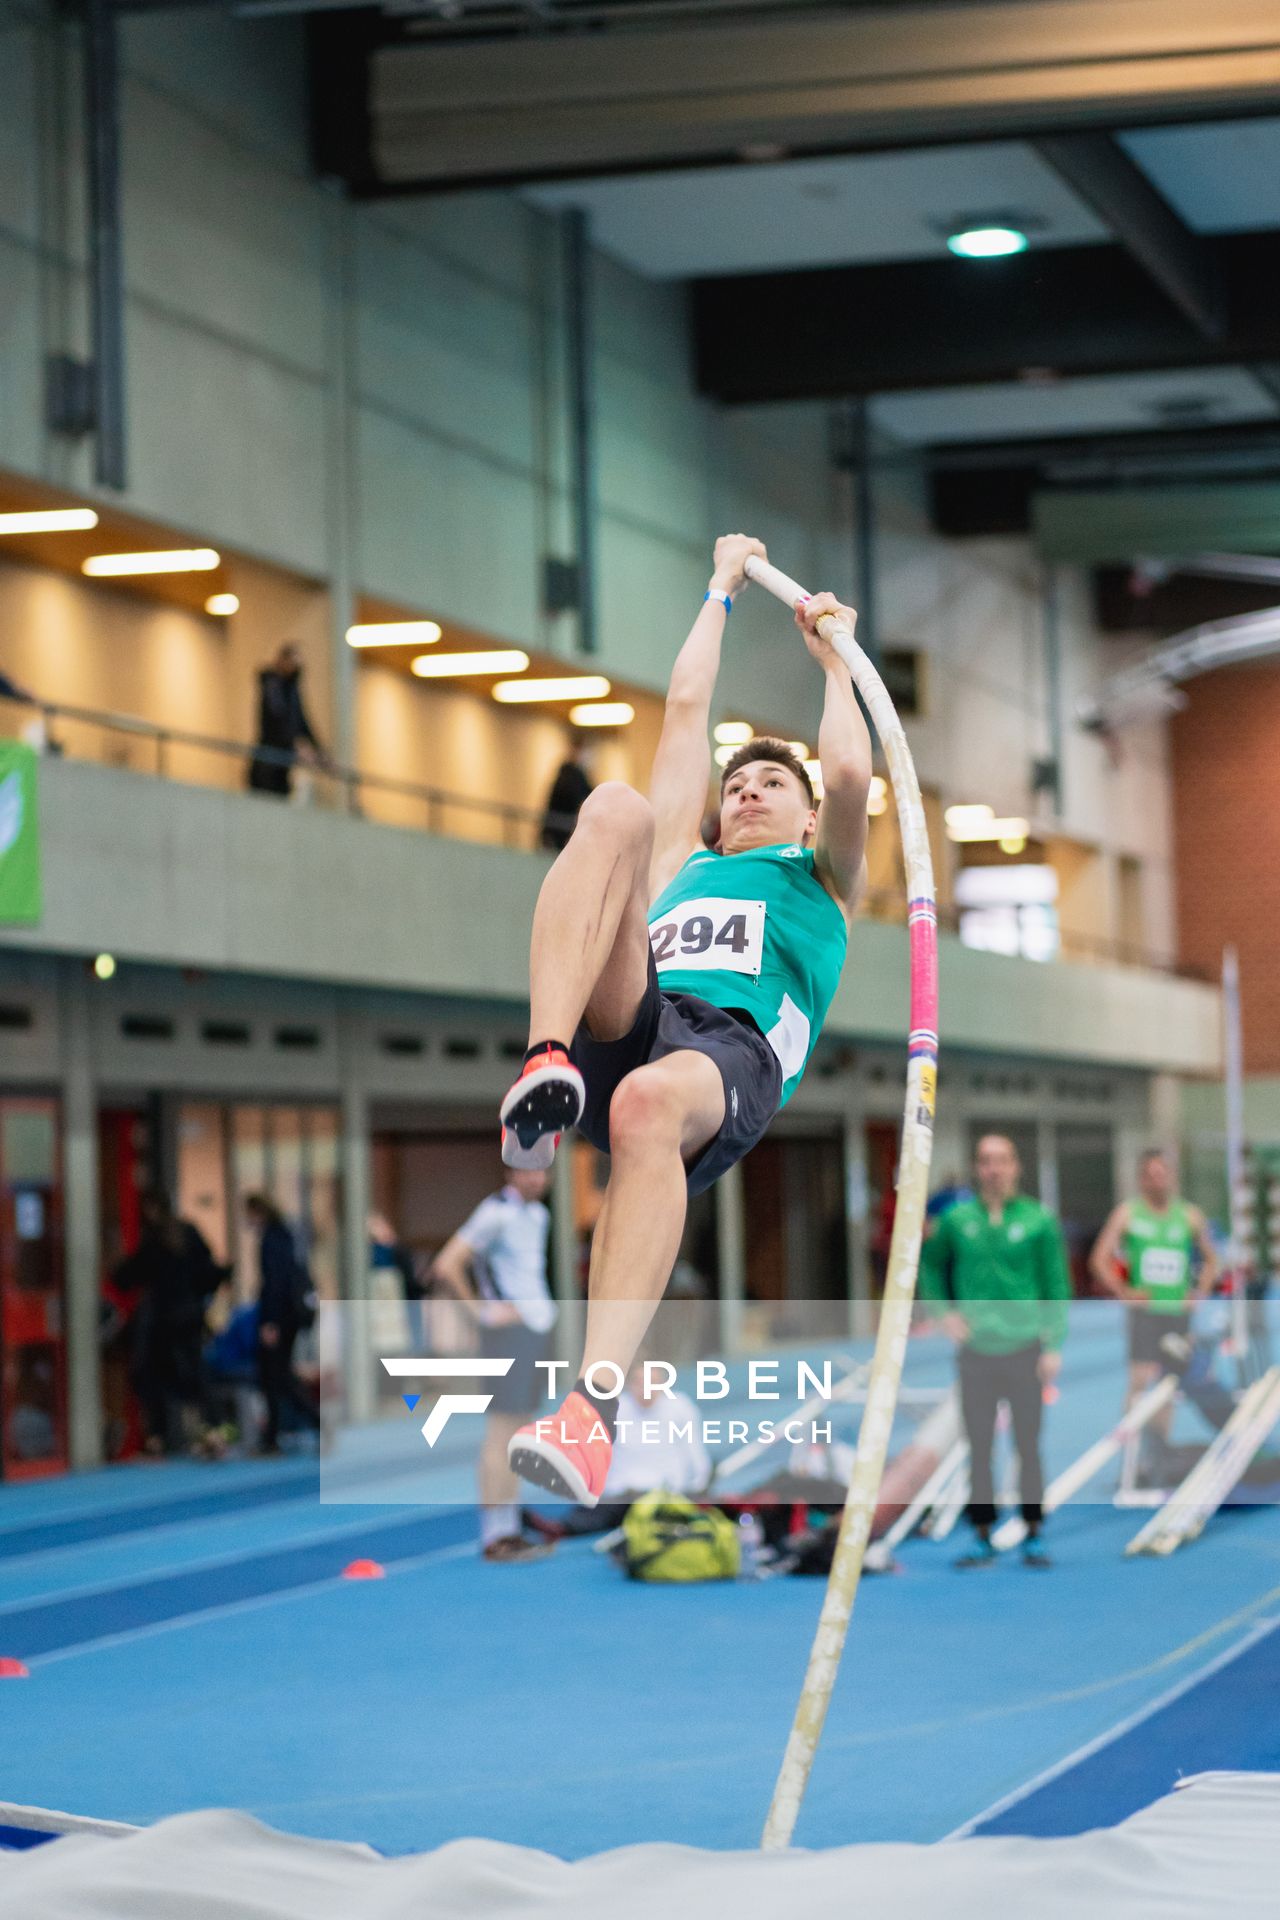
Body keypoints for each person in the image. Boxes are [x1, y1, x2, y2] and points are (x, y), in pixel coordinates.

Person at [498, 533, 872, 1507]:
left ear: (797, 816)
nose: (746, 791)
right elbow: (686, 714)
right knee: (615, 805)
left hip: (727, 1057)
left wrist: (833, 661)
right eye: (736, 784)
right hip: (645, 1010)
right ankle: (545, 1059)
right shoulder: (689, 861)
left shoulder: (818, 879)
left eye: (767, 784)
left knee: (647, 1106)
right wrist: (718, 591)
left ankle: (591, 1412)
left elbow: (845, 778)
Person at [919, 1135, 1071, 1570]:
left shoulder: (1039, 1220)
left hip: (1025, 1348)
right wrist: (943, 1314)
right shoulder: (956, 1219)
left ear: (1016, 1166)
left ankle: (1034, 1532)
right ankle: (982, 1534)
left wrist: (1053, 1343)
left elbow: (1056, 1286)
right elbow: (930, 1265)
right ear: (976, 1168)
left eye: (1002, 1160)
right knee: (979, 1446)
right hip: (976, 1351)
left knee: (1028, 1445)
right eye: (986, 1161)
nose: (994, 1169)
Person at [431, 1169, 559, 1564]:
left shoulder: (539, 1216)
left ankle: (510, 1529)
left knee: (519, 1434)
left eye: (543, 1170)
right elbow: (447, 1264)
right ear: (511, 1171)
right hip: (507, 1336)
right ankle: (494, 1534)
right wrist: (481, 1313)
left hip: (534, 1331)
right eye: (529, 1170)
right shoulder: (495, 1212)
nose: (538, 1178)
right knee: (500, 1433)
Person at [1088, 1150, 1218, 1469]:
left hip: (1177, 1313)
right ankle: (1131, 1458)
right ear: (1141, 1179)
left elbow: (1213, 1260)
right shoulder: (1128, 1214)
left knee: (1168, 1385)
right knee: (1140, 1380)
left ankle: (1158, 1455)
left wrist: (1199, 1291)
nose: (1158, 1179)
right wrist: (1124, 1291)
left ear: (1172, 1177)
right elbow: (1098, 1260)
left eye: (1163, 1173)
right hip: (1144, 1313)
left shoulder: (1189, 1216)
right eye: (1151, 1174)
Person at [112, 1190, 226, 1455]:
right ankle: (213, 1429)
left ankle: (159, 1436)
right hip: (189, 1316)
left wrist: (114, 1272)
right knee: (194, 1373)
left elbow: (129, 1275)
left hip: (165, 1321)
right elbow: (207, 1270)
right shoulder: (188, 1233)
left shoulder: (156, 1240)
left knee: (155, 1376)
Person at [244, 1193, 320, 1454]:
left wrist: (271, 1322)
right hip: (289, 1317)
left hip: (280, 1318)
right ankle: (273, 1436)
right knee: (277, 1378)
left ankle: (310, 1424)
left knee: (277, 1377)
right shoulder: (287, 1236)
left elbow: (275, 1283)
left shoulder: (273, 1240)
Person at [247, 643, 327, 797]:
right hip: (269, 755)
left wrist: (320, 751)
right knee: (266, 791)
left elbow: (302, 721)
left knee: (281, 792)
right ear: (281, 661)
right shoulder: (272, 684)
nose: (295, 670)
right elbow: (277, 717)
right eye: (292, 663)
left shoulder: (292, 688)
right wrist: (296, 744)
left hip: (283, 759)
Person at [540, 738, 594, 852]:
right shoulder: (567, 773)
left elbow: (590, 794)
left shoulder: (579, 774)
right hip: (559, 828)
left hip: (563, 828)